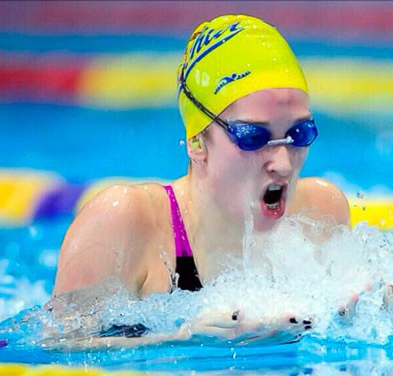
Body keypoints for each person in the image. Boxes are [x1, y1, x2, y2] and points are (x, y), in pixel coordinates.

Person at [51, 15, 350, 339]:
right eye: (252, 137)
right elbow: (55, 351)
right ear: (197, 142)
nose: (282, 163)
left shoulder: (320, 213)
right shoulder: (125, 221)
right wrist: (180, 341)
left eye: (298, 133)